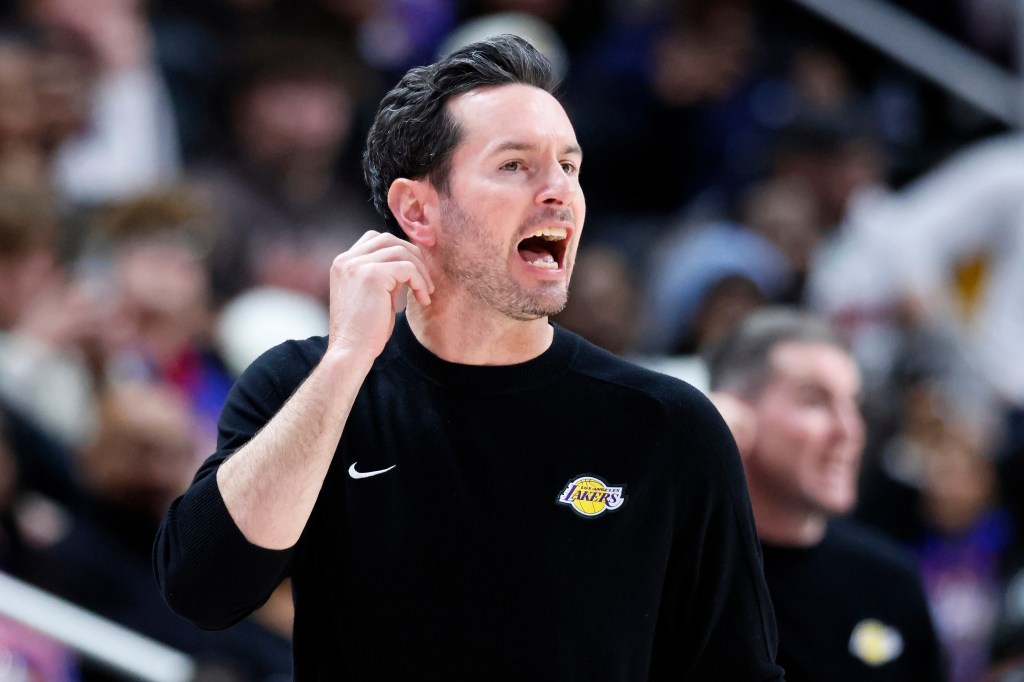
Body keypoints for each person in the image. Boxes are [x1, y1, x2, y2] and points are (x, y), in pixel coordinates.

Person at [154, 35, 784, 680]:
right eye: (515, 165)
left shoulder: (667, 425)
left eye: (569, 166)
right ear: (418, 210)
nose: (558, 192)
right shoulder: (303, 385)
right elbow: (203, 589)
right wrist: (346, 360)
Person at [707, 307, 945, 681]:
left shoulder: (888, 581)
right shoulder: (686, 571)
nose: (849, 430)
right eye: (815, 401)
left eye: (855, 404)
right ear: (735, 411)